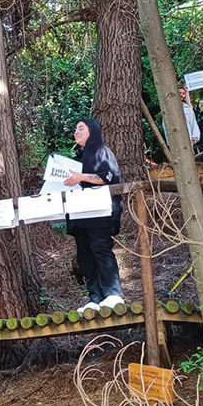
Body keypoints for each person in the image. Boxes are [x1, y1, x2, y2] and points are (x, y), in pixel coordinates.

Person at [64, 119, 125, 314]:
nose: (76, 131)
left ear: (93, 131)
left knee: (101, 250)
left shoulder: (101, 151)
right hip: (80, 214)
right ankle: (96, 298)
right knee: (85, 256)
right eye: (75, 128)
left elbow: (106, 177)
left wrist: (80, 177)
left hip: (100, 213)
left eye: (80, 127)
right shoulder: (77, 158)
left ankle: (113, 295)